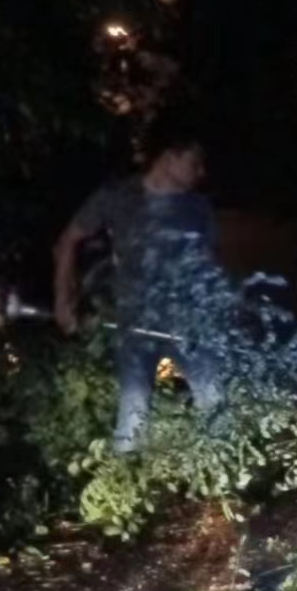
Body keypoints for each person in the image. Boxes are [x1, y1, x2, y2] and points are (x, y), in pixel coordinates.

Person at [53, 118, 223, 452]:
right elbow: (68, 240)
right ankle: (125, 473)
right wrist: (63, 299)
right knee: (134, 408)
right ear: (169, 157)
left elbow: (211, 265)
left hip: (190, 323)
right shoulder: (118, 197)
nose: (201, 172)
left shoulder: (199, 208)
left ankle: (226, 471)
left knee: (215, 400)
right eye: (194, 162)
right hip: (137, 320)